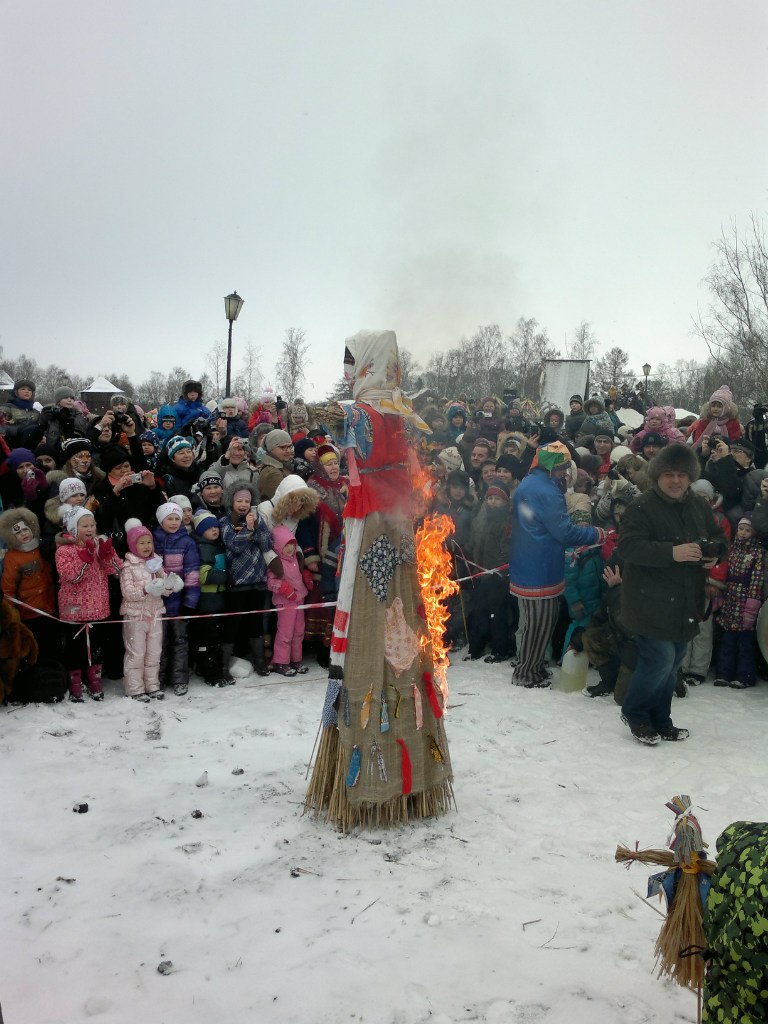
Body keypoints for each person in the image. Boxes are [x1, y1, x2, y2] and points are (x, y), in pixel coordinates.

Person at [305, 329, 454, 829]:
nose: (346, 373)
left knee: (371, 635)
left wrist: (337, 414)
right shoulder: (399, 411)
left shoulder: (363, 413)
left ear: (367, 365)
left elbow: (341, 421)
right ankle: (406, 777)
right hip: (390, 527)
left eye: (352, 363)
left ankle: (373, 782)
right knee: (399, 634)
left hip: (373, 532)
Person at [618, 443, 727, 744]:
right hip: (648, 600)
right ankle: (636, 713)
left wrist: (715, 552)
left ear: (690, 477)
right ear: (657, 476)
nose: (676, 480)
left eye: (681, 474)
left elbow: (718, 536)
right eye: (669, 474)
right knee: (660, 659)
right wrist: (672, 552)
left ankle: (661, 718)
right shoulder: (642, 506)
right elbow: (627, 546)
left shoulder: (698, 505)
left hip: (686, 599)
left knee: (674, 660)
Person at [508, 442, 606, 688]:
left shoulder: (530, 483)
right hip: (539, 566)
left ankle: (534, 666)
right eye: (562, 467)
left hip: (529, 561)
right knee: (538, 623)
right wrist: (596, 534)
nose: (565, 472)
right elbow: (563, 531)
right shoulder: (546, 491)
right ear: (552, 466)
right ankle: (526, 673)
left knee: (537, 622)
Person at [55, 506, 122, 701]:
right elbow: (72, 576)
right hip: (74, 608)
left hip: (97, 607)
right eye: (85, 525)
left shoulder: (99, 544)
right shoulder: (64, 550)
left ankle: (95, 681)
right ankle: (76, 684)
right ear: (74, 528)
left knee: (95, 648)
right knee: (75, 650)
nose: (90, 528)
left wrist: (108, 554)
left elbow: (116, 570)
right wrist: (85, 557)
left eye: (92, 524)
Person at [219, 481, 273, 676]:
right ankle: (224, 665)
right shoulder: (225, 522)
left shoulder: (258, 520)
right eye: (239, 500)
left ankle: (259, 661)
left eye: (247, 501)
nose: (243, 504)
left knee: (255, 623)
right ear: (232, 501)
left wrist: (256, 527)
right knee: (232, 624)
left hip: (258, 581)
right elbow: (234, 545)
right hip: (237, 582)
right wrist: (248, 531)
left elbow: (267, 544)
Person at [120, 518, 177, 701]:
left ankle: (152, 685)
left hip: (155, 613)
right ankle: (135, 688)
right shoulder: (128, 566)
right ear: (133, 544)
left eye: (149, 542)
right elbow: (127, 592)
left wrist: (169, 585)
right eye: (141, 543)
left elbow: (166, 587)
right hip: (135, 616)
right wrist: (146, 589)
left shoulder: (156, 563)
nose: (146, 546)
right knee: (136, 653)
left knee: (154, 652)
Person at [153, 501, 200, 696]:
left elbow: (192, 573)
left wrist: (190, 601)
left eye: (177, 519)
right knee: (159, 643)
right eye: (169, 519)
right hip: (157, 604)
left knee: (180, 641)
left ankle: (179, 678)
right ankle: (160, 678)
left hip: (179, 603)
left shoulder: (187, 542)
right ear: (161, 520)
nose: (173, 523)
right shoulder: (152, 539)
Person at [713, 514, 764, 689]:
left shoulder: (758, 553)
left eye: (747, 530)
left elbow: (757, 581)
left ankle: (745, 676)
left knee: (745, 644)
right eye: (741, 529)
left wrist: (752, 605)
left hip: (746, 601)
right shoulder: (731, 549)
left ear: (754, 533)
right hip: (730, 600)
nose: (742, 533)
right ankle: (724, 673)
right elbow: (724, 573)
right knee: (727, 641)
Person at [190, 509, 233, 687]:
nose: (214, 530)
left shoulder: (218, 545)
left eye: (216, 526)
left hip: (219, 600)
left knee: (216, 638)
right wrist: (226, 576)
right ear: (200, 531)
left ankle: (212, 669)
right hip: (208, 601)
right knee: (209, 640)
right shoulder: (203, 548)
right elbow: (203, 576)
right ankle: (211, 674)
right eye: (209, 528)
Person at [266, 525, 312, 676]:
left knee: (298, 632)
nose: (291, 548)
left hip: (299, 600)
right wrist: (284, 588)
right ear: (279, 545)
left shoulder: (295, 560)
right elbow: (271, 582)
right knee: (285, 634)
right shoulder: (277, 563)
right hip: (285, 603)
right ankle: (281, 662)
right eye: (287, 545)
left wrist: (306, 577)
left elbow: (299, 575)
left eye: (293, 545)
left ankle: (296, 660)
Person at [0, 378, 40, 448]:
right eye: (23, 389)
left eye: (29, 390)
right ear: (16, 392)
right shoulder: (7, 408)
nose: (27, 391)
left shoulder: (36, 413)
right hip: (11, 446)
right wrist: (19, 430)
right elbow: (1, 428)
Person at [257, 429, 295, 499]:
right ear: (271, 448)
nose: (288, 451)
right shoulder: (273, 473)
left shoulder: (281, 466)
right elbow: (282, 502)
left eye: (290, 446)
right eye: (283, 447)